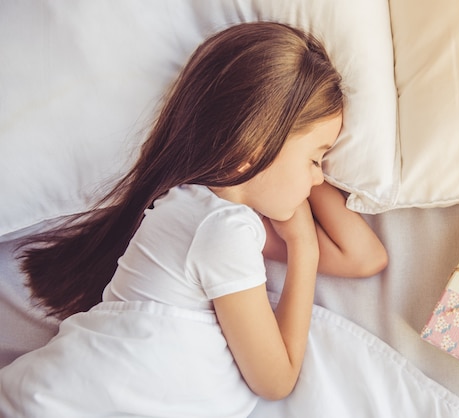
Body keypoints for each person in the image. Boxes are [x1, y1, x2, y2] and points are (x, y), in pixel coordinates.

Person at [0, 22, 387, 416]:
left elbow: (364, 257)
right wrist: (302, 245)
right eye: (316, 159)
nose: (321, 178)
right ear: (253, 145)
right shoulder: (218, 230)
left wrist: (288, 171)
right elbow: (275, 379)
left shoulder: (209, 217)